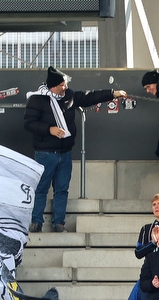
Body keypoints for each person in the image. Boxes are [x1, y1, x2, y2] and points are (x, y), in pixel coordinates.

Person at [24, 66, 127, 233]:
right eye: (62, 85)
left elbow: (89, 96)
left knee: (62, 189)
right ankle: (36, 222)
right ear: (52, 86)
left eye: (66, 84)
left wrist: (112, 93)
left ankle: (59, 223)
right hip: (45, 152)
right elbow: (29, 123)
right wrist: (49, 129)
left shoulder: (69, 96)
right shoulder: (37, 100)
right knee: (41, 187)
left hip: (65, 152)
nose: (65, 87)